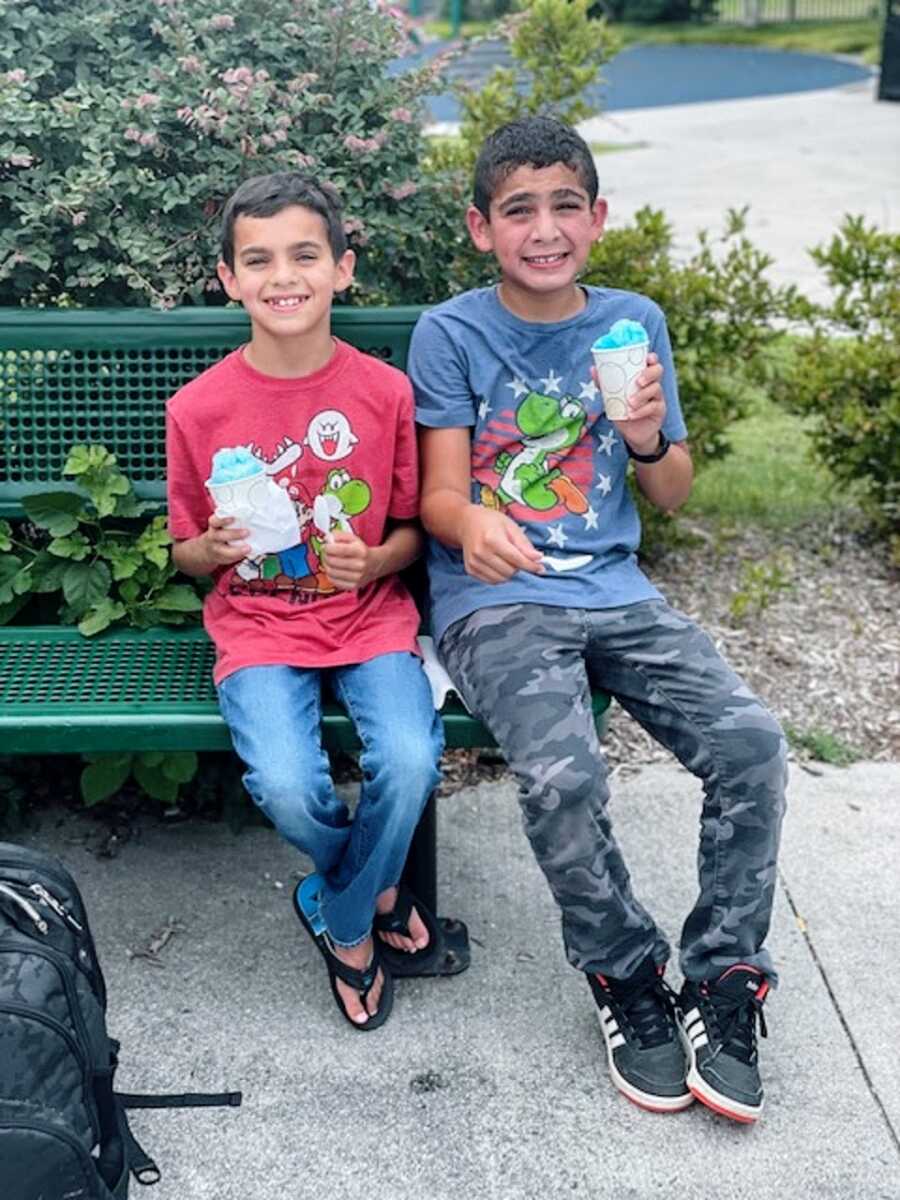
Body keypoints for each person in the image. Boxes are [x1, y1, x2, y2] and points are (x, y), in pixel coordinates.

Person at [409, 116, 787, 1120]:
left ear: (598, 218)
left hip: (617, 593)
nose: (544, 228)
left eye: (564, 205)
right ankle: (624, 974)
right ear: (482, 228)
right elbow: (438, 498)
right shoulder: (452, 332)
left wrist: (647, 433)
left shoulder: (634, 321)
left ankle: (722, 980)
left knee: (751, 741)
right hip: (498, 602)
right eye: (518, 209)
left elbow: (672, 495)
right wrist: (474, 521)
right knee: (564, 774)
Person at [166, 172, 444, 1032]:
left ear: (342, 269)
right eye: (258, 260)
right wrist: (207, 551)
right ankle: (372, 890)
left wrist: (374, 563)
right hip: (257, 626)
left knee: (410, 758)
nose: (282, 276)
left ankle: (344, 919)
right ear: (230, 281)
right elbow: (184, 552)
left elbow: (410, 534)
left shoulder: (385, 394)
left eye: (303, 255)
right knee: (286, 783)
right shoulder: (199, 408)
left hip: (370, 619)